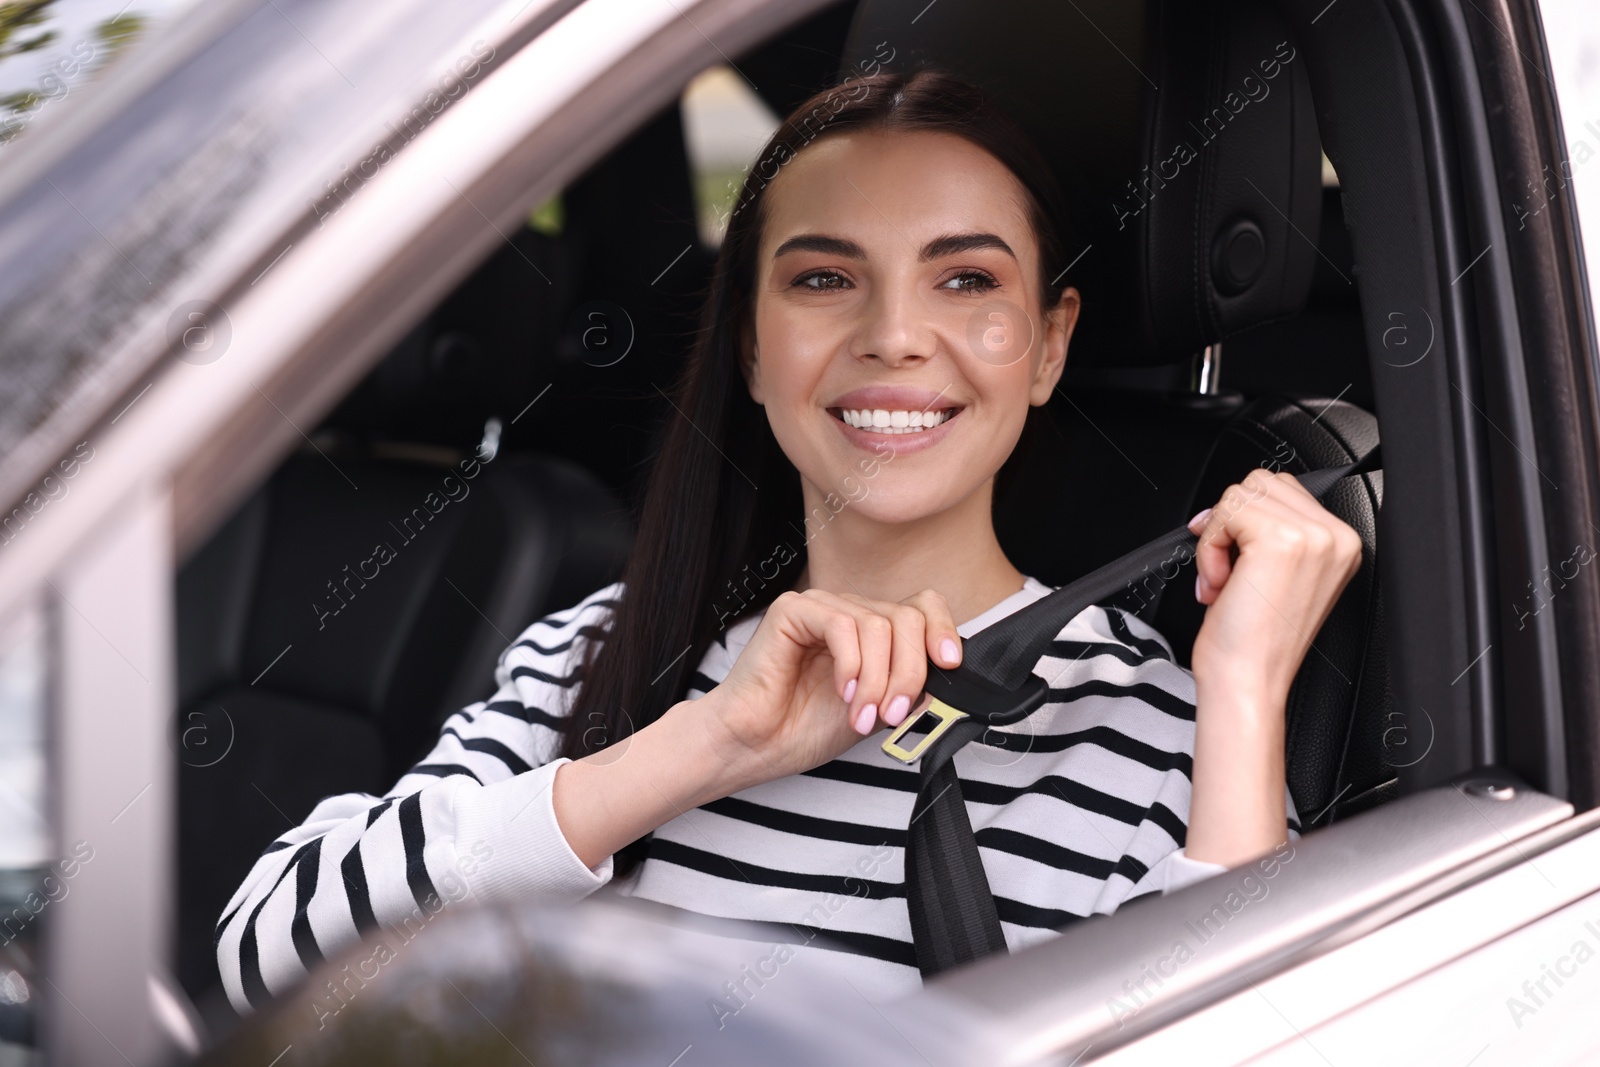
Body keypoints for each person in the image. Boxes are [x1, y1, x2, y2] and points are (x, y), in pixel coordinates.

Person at [215, 69, 1361, 1014]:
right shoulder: (598, 658)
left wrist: (1247, 693)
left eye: (965, 279)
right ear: (754, 348)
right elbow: (265, 959)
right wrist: (704, 746)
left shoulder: (1164, 736)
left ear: (1048, 344)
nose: (896, 337)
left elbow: (1248, 1034)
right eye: (824, 278)